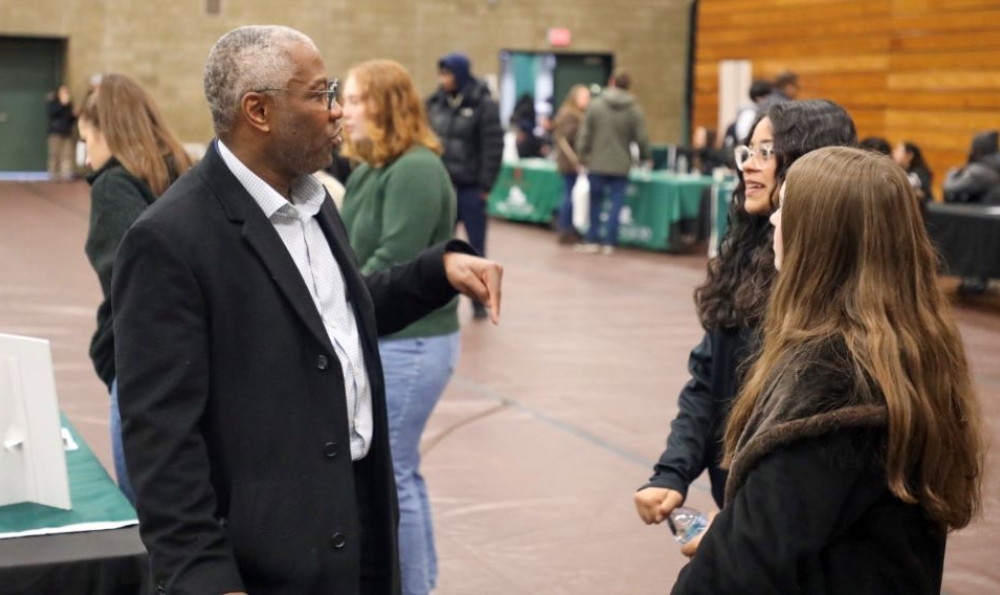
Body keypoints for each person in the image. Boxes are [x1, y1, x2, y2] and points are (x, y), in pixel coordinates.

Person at [112, 26, 503, 595]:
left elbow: (338, 316)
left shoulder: (313, 203)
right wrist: (204, 573)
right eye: (320, 94)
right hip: (267, 558)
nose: (338, 110)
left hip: (357, 524)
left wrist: (432, 272)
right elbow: (160, 436)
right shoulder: (171, 240)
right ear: (259, 111)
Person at [671, 146, 984, 594]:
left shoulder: (835, 380)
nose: (774, 222)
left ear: (822, 238)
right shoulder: (908, 350)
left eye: (786, 210)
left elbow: (743, 569)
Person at [634, 100, 857, 522]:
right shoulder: (746, 255)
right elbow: (709, 379)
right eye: (748, 152)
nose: (749, 167)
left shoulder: (836, 294)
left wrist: (744, 532)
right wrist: (672, 472)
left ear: (808, 164)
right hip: (748, 517)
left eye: (767, 153)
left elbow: (811, 456)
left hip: (787, 528)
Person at [338, 59, 460, 595]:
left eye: (358, 100)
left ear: (387, 106)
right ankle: (420, 581)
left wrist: (329, 300)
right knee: (402, 471)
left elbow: (397, 259)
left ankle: (410, 586)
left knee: (393, 473)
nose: (344, 111)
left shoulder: (416, 169)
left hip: (414, 342)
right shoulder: (369, 169)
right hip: (385, 338)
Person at [77, 73, 193, 503]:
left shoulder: (113, 187)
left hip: (143, 370)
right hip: (193, 362)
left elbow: (134, 287)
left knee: (145, 508)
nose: (87, 159)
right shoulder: (182, 170)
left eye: (87, 141)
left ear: (106, 132)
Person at [426, 52, 504, 320]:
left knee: (476, 246)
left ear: (459, 74)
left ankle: (480, 301)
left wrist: (486, 185)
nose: (443, 79)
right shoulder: (435, 103)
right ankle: (441, 301)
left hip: (471, 188)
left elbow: (493, 146)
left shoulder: (483, 104)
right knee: (440, 245)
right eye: (441, 74)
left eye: (447, 74)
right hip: (443, 186)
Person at [575, 70, 651, 255]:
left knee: (595, 202)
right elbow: (641, 137)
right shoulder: (634, 109)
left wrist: (582, 155)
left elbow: (585, 133)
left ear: (611, 82)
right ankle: (610, 242)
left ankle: (592, 239)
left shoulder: (596, 105)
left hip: (597, 163)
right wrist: (645, 157)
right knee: (616, 203)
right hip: (621, 164)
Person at [552, 84, 591, 244]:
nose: (587, 100)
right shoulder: (570, 115)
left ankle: (570, 228)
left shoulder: (579, 114)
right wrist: (576, 160)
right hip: (571, 162)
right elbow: (565, 140)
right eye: (584, 97)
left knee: (571, 195)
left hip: (573, 161)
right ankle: (565, 228)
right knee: (569, 195)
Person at [943, 130, 1000, 205]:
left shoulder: (978, 172)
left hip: (980, 213)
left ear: (978, 150)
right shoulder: (995, 166)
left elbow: (949, 188)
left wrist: (951, 174)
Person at [46, 85, 76, 181]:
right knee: (54, 154)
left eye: (67, 92)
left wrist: (74, 115)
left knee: (66, 154)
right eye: (64, 92)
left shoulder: (69, 104)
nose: (66, 94)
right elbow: (52, 113)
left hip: (66, 132)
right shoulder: (53, 102)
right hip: (55, 132)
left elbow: (70, 119)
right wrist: (62, 104)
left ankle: (65, 174)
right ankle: (53, 174)